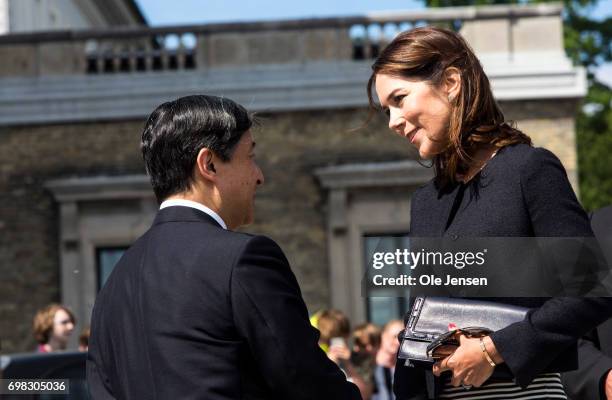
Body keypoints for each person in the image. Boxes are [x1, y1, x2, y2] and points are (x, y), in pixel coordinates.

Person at [366, 26, 612, 399]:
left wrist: (494, 350)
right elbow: (420, 322)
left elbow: (590, 291)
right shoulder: (426, 202)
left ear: (450, 82)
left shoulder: (529, 170)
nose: (393, 121)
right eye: (387, 109)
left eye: (400, 99)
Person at [86, 95, 361, 400]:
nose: (259, 176)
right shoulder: (242, 259)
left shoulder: (112, 286)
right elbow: (306, 382)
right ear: (209, 164)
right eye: (251, 157)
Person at [372, 320, 404, 400]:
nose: (397, 342)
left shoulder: (402, 367)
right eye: (394, 336)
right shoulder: (370, 364)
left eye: (401, 339)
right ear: (383, 335)